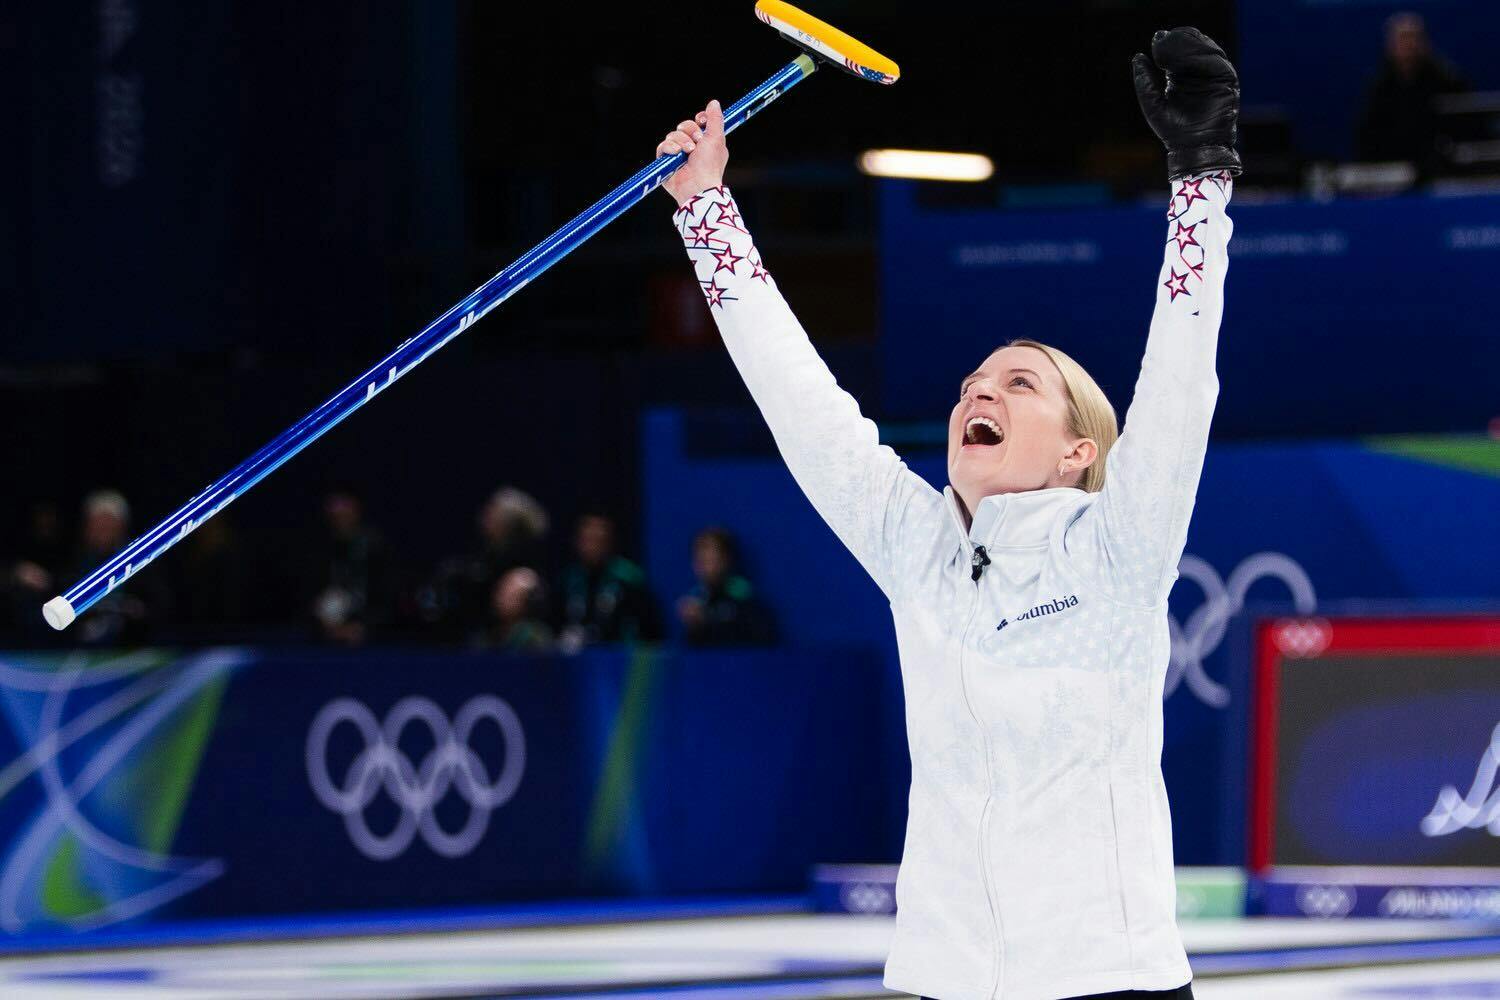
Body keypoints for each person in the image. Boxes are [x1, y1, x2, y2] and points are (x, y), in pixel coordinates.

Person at [654, 26, 1238, 1000]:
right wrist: (705, 209)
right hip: (942, 979)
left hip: (1110, 979)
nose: (982, 394)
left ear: (1078, 449)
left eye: (1018, 383)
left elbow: (1183, 377)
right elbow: (802, 403)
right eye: (973, 384)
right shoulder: (917, 547)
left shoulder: (1119, 550)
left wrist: (1202, 177)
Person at [1355, 12, 1469, 177]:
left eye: (1414, 37)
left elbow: (1464, 129)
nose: (1408, 45)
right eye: (1402, 38)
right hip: (1391, 169)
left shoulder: (1446, 80)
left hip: (1439, 169)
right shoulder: (1379, 87)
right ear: (1390, 45)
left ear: (1425, 42)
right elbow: (1368, 136)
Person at [556, 512, 662, 652]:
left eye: (599, 540)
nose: (593, 546)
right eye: (588, 540)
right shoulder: (568, 579)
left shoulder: (629, 579)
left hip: (620, 660)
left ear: (610, 542)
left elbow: (651, 629)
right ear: (577, 542)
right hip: (576, 661)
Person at [675, 526, 776, 647]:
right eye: (700, 559)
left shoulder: (743, 597)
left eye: (710, 559)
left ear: (726, 559)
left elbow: (756, 640)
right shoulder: (698, 599)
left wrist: (707, 622)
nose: (704, 566)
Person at [473, 566, 555, 652]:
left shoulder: (536, 638)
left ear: (528, 602)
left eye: (510, 596)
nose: (499, 599)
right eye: (500, 591)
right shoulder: (486, 634)